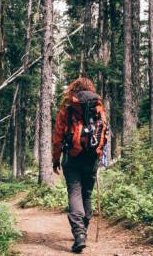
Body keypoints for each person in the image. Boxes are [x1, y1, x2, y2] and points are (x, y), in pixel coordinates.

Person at [52, 77, 107, 253]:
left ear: (74, 89)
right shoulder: (98, 105)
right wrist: (99, 154)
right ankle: (83, 230)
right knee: (87, 194)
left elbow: (58, 136)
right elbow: (104, 130)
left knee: (75, 193)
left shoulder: (68, 107)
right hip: (92, 157)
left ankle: (79, 235)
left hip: (72, 157)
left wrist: (55, 159)